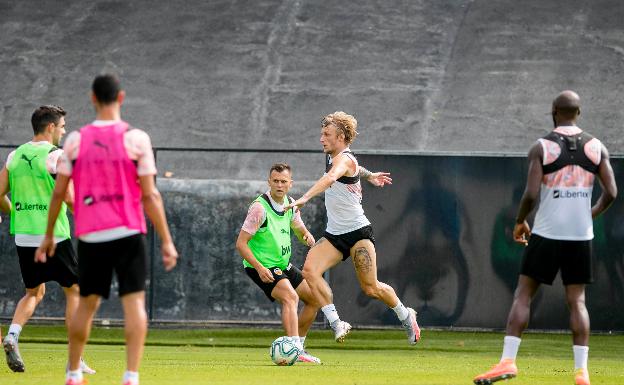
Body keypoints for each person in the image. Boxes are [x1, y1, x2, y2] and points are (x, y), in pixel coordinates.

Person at [36, 74, 178, 385]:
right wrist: (166, 240)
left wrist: (48, 236)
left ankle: (73, 373)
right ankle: (131, 376)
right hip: (128, 232)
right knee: (134, 304)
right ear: (122, 98)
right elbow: (150, 194)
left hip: (91, 235)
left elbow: (59, 194)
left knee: (86, 304)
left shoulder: (74, 140)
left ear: (92, 99)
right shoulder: (136, 138)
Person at [473, 90, 617, 385]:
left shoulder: (542, 147)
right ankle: (581, 373)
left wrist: (520, 221)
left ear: (554, 111)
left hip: (548, 233)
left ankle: (508, 362)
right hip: (580, 236)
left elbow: (531, 193)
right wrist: (588, 215)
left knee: (524, 294)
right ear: (578, 113)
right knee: (577, 301)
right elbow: (612, 193)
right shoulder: (596, 147)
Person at [286, 111, 421, 345]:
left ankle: (405, 314)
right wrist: (368, 176)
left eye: (326, 134)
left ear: (340, 137)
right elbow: (352, 168)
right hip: (334, 235)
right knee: (309, 271)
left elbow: (331, 177)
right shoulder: (335, 155)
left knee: (371, 287)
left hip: (358, 233)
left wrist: (305, 198)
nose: (321, 139)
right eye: (322, 134)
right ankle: (337, 322)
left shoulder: (343, 159)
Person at [0, 106, 95, 374]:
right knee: (74, 291)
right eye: (63, 126)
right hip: (54, 236)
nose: (64, 131)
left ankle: (13, 336)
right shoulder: (57, 156)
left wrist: (15, 212)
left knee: (33, 292)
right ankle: (74, 360)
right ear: (51, 127)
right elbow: (68, 198)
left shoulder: (14, 156)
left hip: (24, 237)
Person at [236, 163, 322, 363]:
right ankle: (294, 349)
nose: (279, 185)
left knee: (314, 299)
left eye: (284, 181)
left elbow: (299, 228)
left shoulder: (290, 204)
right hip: (260, 266)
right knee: (291, 297)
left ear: (290, 184)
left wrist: (307, 236)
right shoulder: (259, 208)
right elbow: (241, 244)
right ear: (269, 182)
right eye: (275, 181)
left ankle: (298, 347)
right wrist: (260, 268)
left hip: (282, 265)